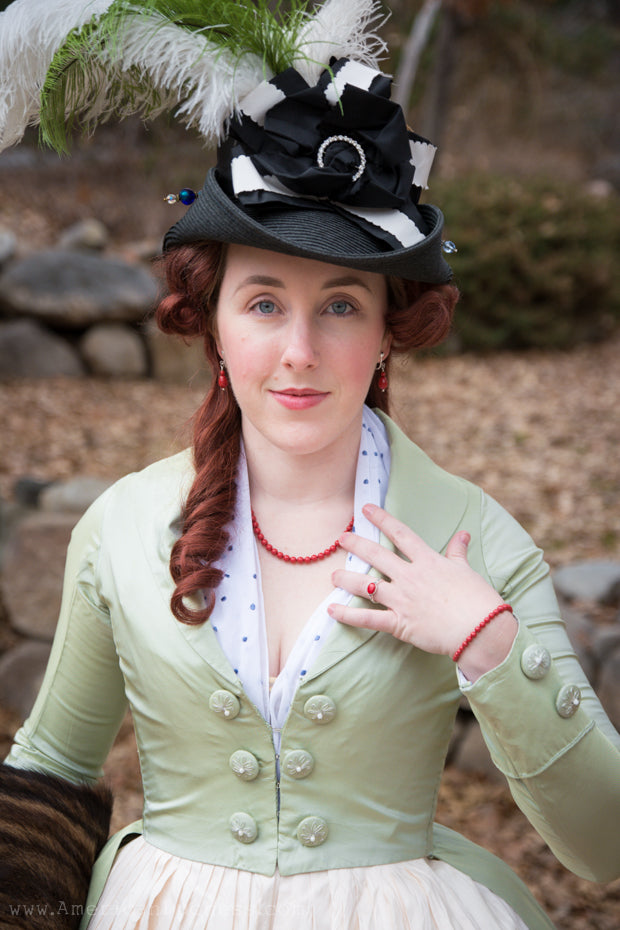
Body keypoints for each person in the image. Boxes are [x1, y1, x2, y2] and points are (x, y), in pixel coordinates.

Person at [1, 2, 619, 929]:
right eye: (262, 303)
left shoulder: (472, 534)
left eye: (339, 305)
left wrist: (489, 646)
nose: (298, 349)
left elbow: (604, 845)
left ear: (384, 333)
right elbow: (48, 774)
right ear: (212, 321)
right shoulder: (123, 528)